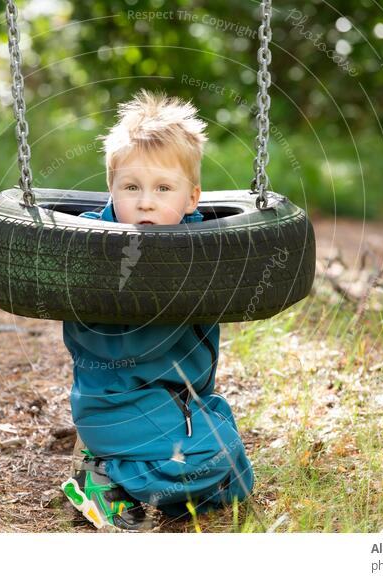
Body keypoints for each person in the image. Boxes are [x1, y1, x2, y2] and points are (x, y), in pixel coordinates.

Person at [60, 89, 254, 532]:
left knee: (236, 479)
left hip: (178, 398)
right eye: (131, 187)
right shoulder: (91, 247)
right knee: (214, 453)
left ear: (192, 199)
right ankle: (102, 473)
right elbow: (68, 241)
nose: (145, 201)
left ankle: (128, 470)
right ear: (111, 190)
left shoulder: (204, 248)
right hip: (116, 402)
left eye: (163, 188)